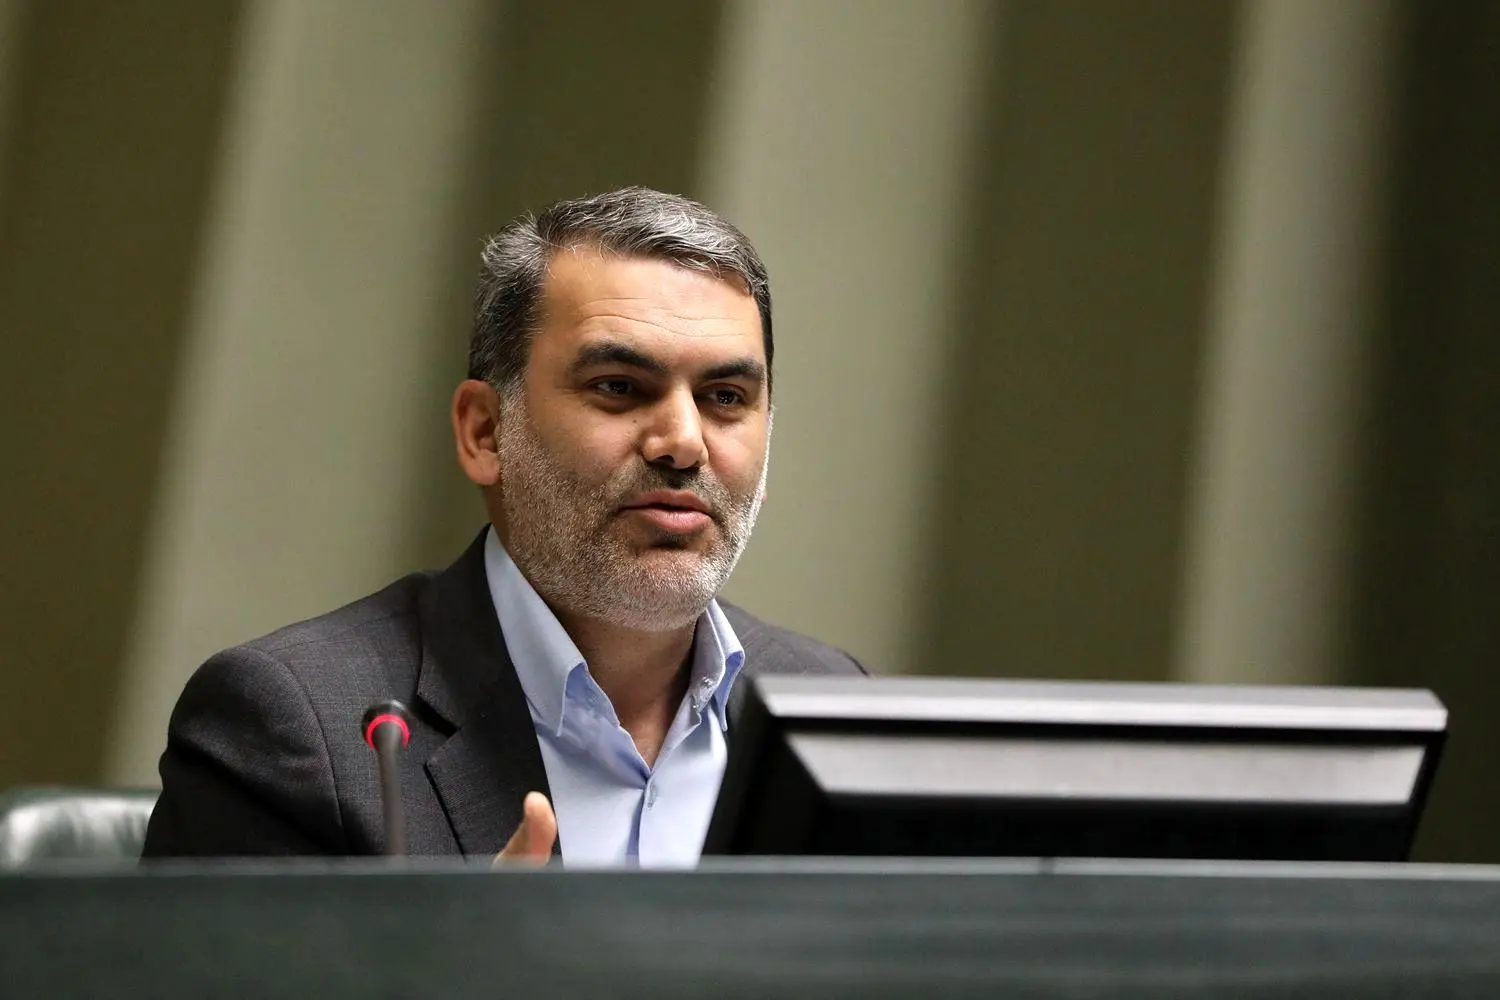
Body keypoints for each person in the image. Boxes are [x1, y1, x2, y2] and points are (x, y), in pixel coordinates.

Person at [141, 187, 866, 866]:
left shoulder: (833, 704)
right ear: (485, 432)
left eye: (726, 397)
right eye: (619, 388)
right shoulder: (294, 724)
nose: (683, 442)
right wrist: (467, 954)